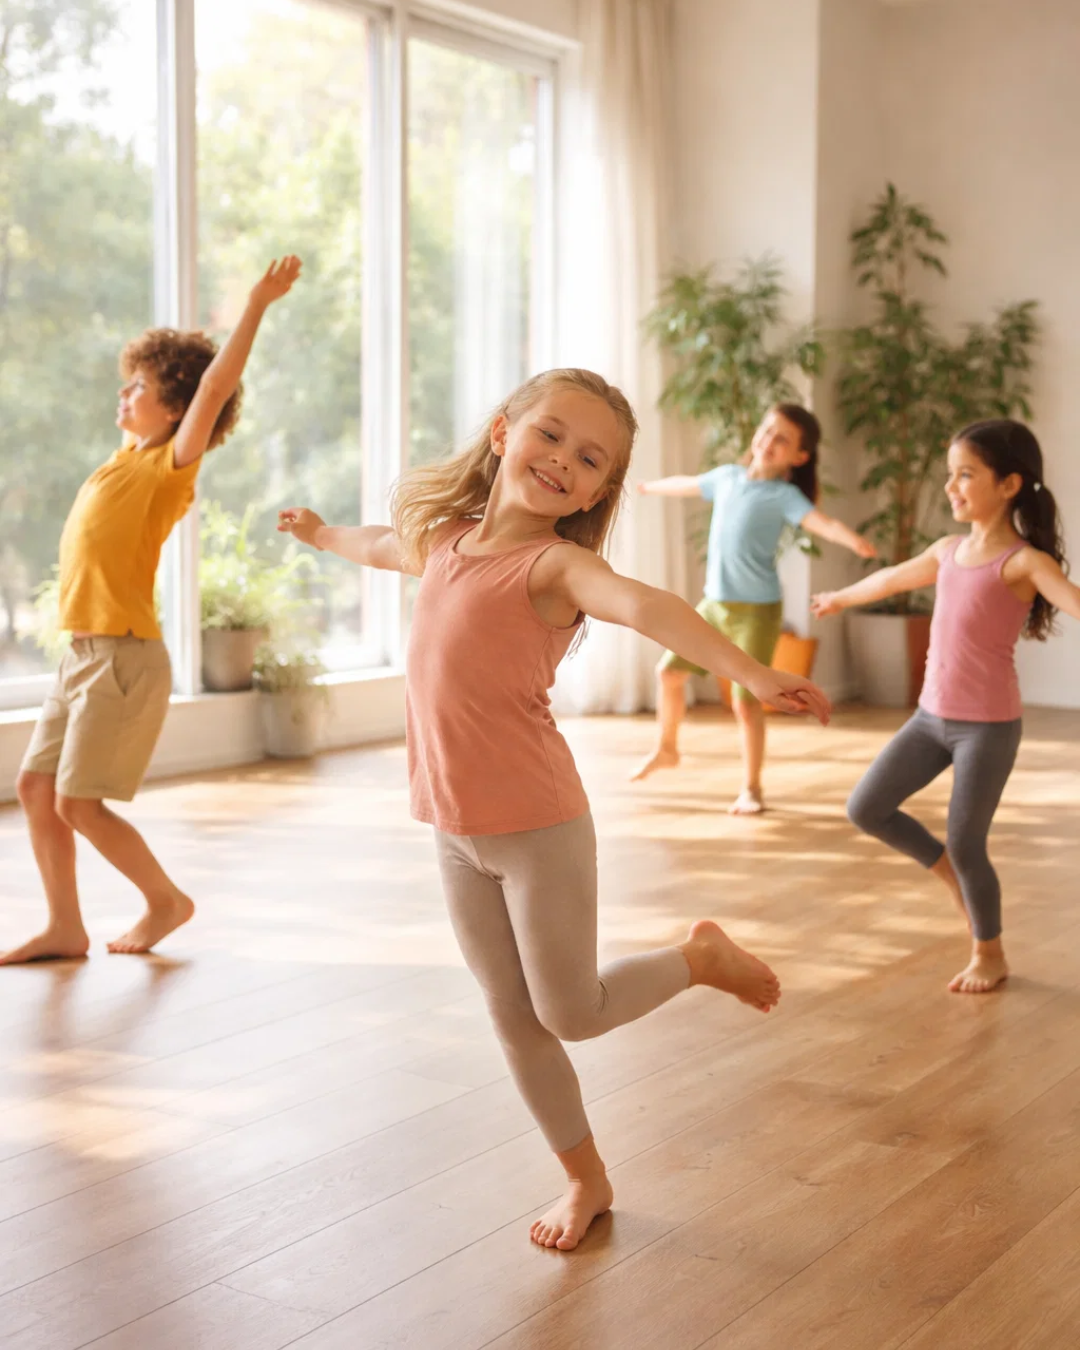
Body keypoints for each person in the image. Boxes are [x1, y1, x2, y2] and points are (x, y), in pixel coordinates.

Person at [278, 368, 831, 1252]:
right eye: (550, 437)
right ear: (503, 433)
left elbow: (649, 607)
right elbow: (385, 544)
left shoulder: (559, 568)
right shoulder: (449, 542)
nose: (563, 462)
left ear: (601, 489)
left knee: (571, 1012)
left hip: (539, 828)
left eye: (589, 459)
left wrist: (753, 673)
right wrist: (319, 535)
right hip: (454, 829)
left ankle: (698, 958)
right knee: (510, 1015)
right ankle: (586, 1178)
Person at [2, 256, 303, 966]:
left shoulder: (166, 470)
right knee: (36, 789)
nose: (124, 394)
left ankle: (165, 900)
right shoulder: (120, 458)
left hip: (122, 658)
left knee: (78, 803)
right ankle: (65, 927)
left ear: (175, 408)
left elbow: (217, 385)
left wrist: (256, 303)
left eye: (138, 386)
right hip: (81, 656)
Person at [812, 419, 1080, 993]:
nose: (951, 487)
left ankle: (990, 952)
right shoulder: (949, 551)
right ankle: (947, 873)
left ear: (1008, 485)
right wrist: (839, 597)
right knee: (867, 806)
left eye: (966, 475)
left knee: (966, 842)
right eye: (949, 475)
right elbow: (888, 579)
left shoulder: (1025, 563)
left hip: (988, 728)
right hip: (931, 718)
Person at [632, 404, 875, 813]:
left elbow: (821, 523)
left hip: (755, 612)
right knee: (669, 673)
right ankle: (667, 749)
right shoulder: (727, 477)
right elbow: (688, 484)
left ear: (799, 457)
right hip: (714, 604)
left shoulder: (784, 496)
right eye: (767, 431)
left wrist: (853, 541)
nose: (768, 441)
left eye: (782, 439)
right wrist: (648, 487)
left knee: (746, 701)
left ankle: (752, 788)